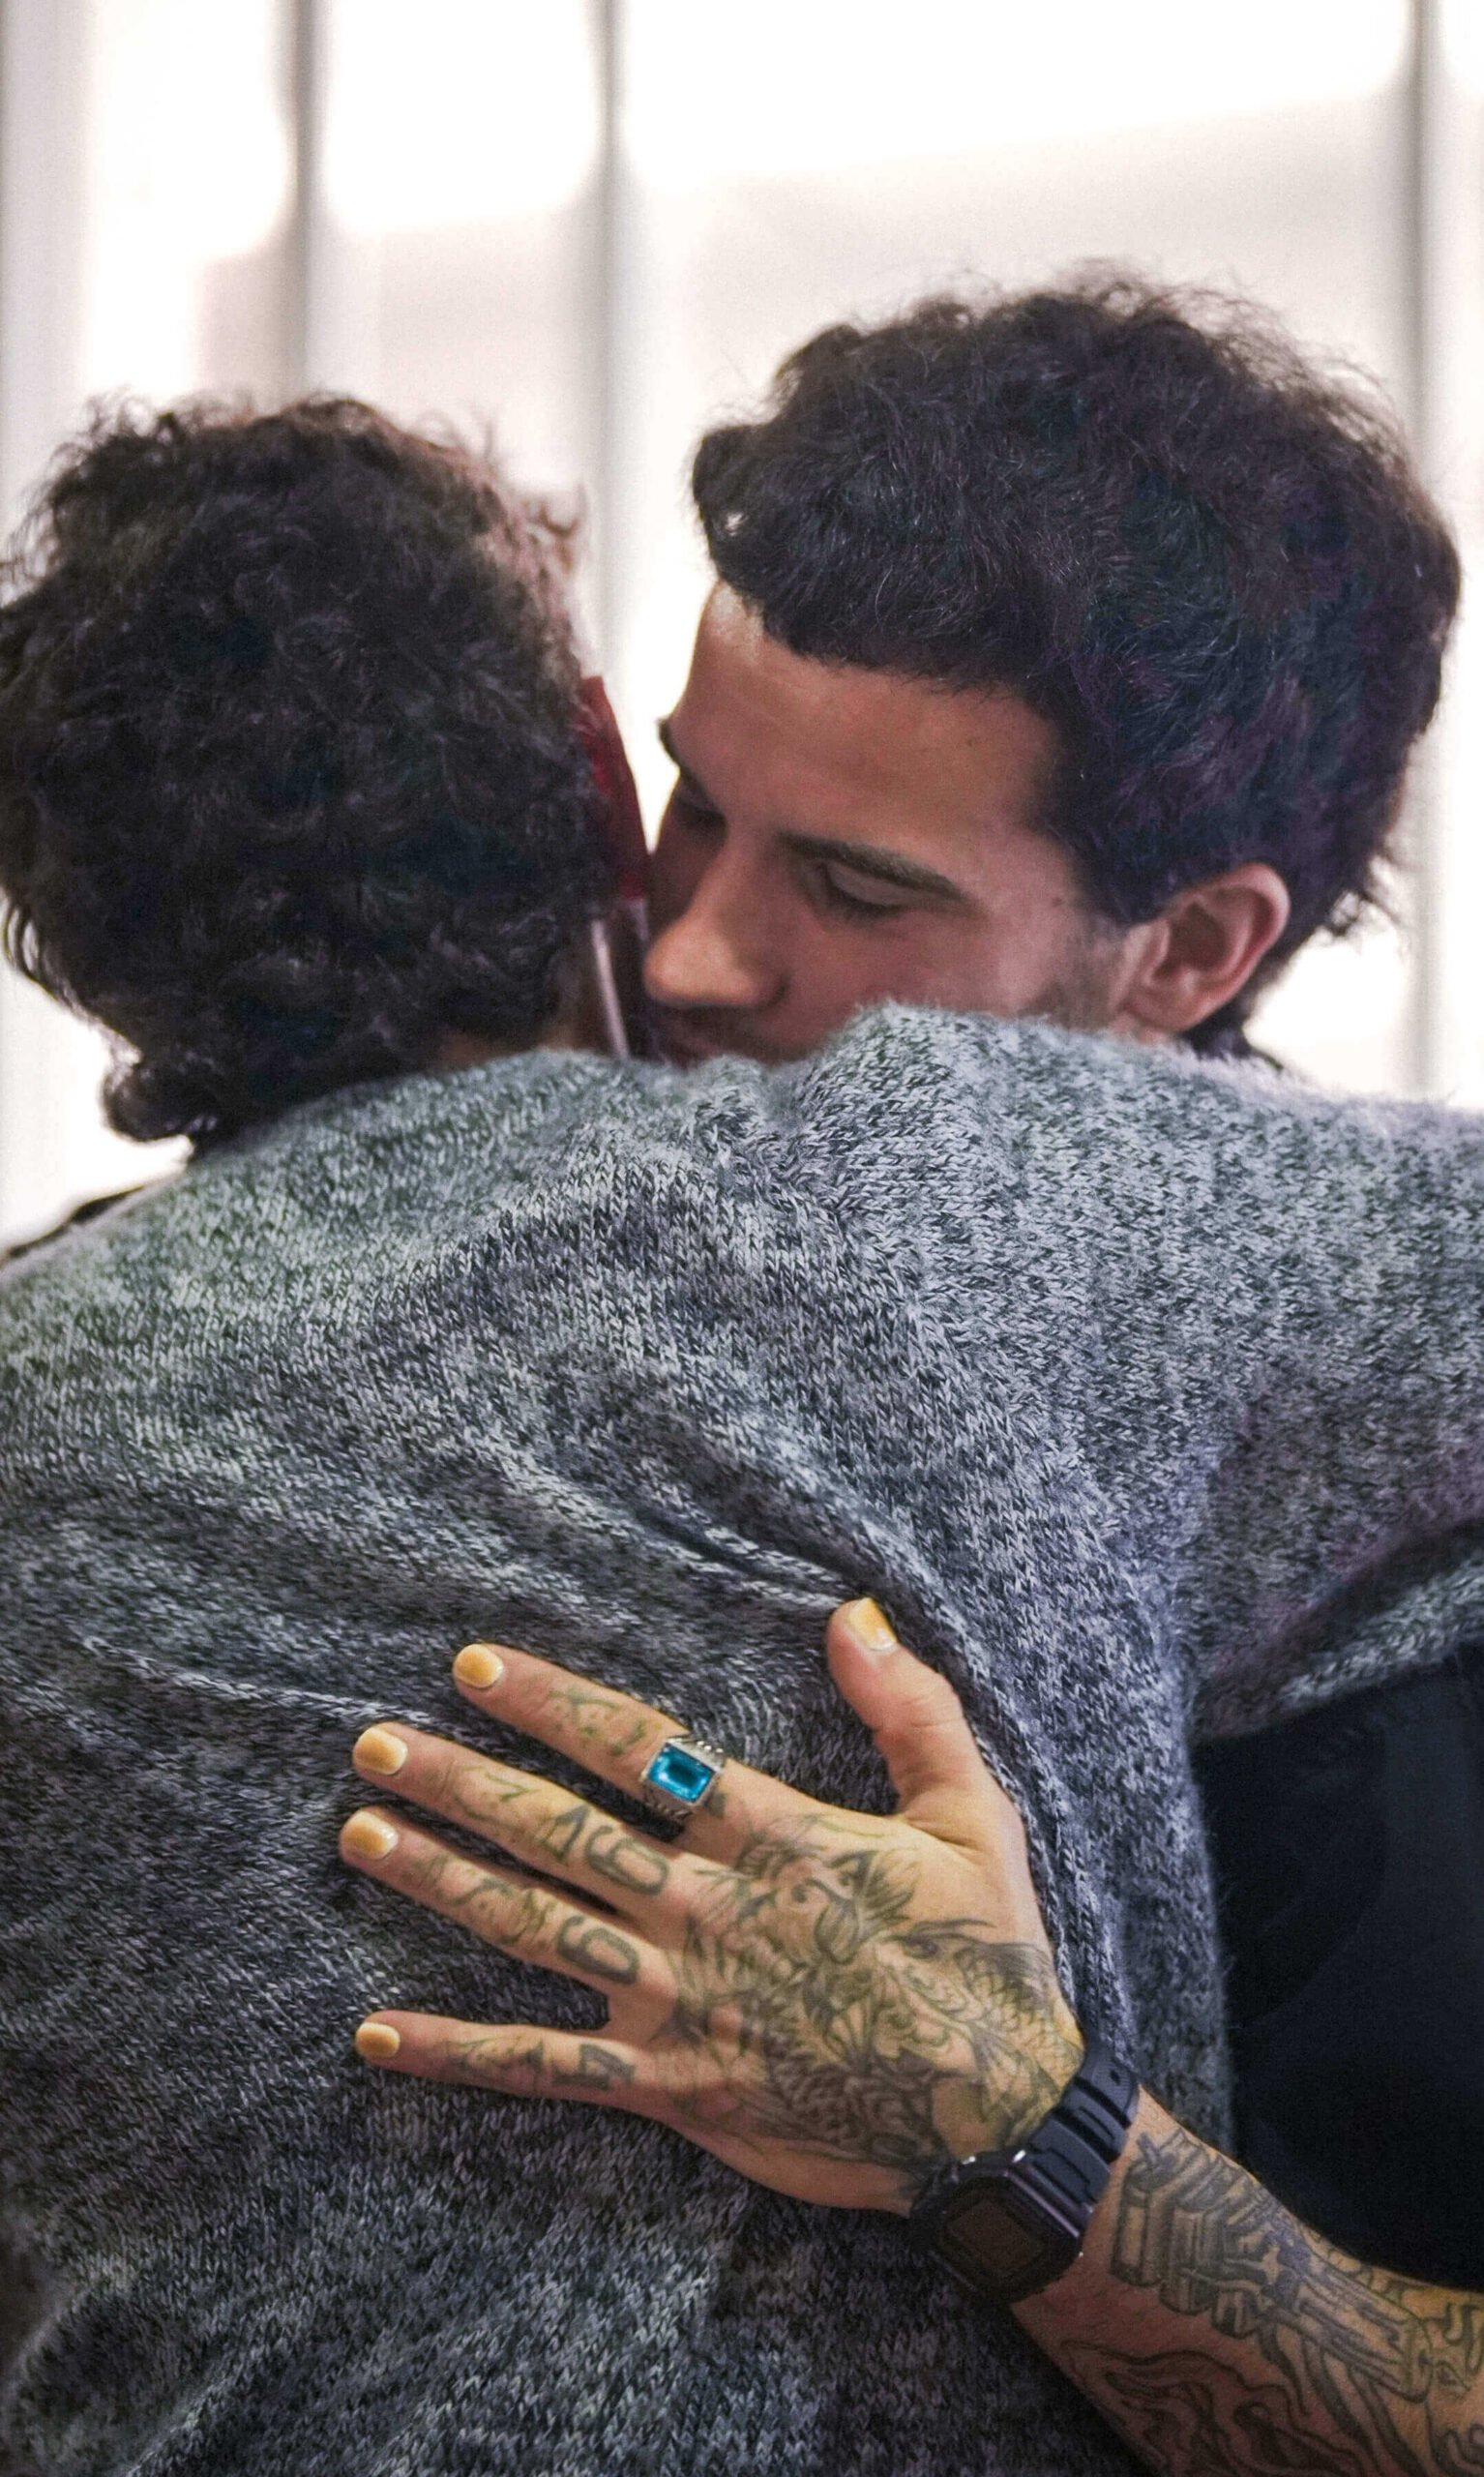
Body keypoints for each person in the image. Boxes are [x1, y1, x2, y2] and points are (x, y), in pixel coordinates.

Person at [2, 390, 1483, 2477]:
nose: (694, 946)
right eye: (693, 812)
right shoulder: (934, 1190)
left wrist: (1016, 2142)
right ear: (601, 763)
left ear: (1191, 951)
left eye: (855, 884)